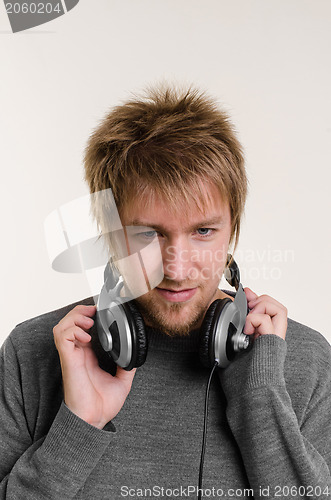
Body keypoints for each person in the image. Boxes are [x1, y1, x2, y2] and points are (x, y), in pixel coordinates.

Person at [1, 85, 330, 500]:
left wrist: (261, 400)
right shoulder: (31, 354)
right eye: (147, 234)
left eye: (203, 231)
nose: (176, 269)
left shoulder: (303, 360)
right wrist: (78, 427)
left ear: (233, 230)